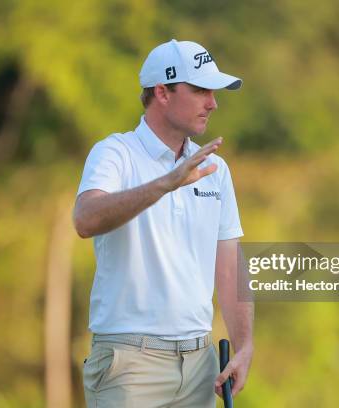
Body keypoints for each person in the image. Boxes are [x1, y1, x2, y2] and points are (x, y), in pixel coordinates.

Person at [73, 39, 253, 408]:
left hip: (200, 365)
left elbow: (230, 266)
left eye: (214, 92)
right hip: (129, 365)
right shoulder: (115, 153)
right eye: (201, 89)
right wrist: (165, 184)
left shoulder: (215, 170)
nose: (212, 103)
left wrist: (245, 346)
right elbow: (86, 219)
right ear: (162, 92)